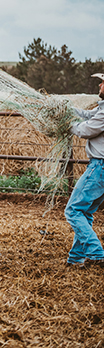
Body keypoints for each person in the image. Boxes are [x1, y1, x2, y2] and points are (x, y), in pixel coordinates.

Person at [66, 73, 104, 267]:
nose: (100, 85)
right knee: (85, 211)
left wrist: (67, 125)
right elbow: (88, 116)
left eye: (103, 82)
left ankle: (97, 254)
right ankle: (75, 258)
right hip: (101, 169)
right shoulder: (101, 109)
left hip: (100, 167)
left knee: (72, 211)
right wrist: (65, 110)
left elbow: (85, 130)